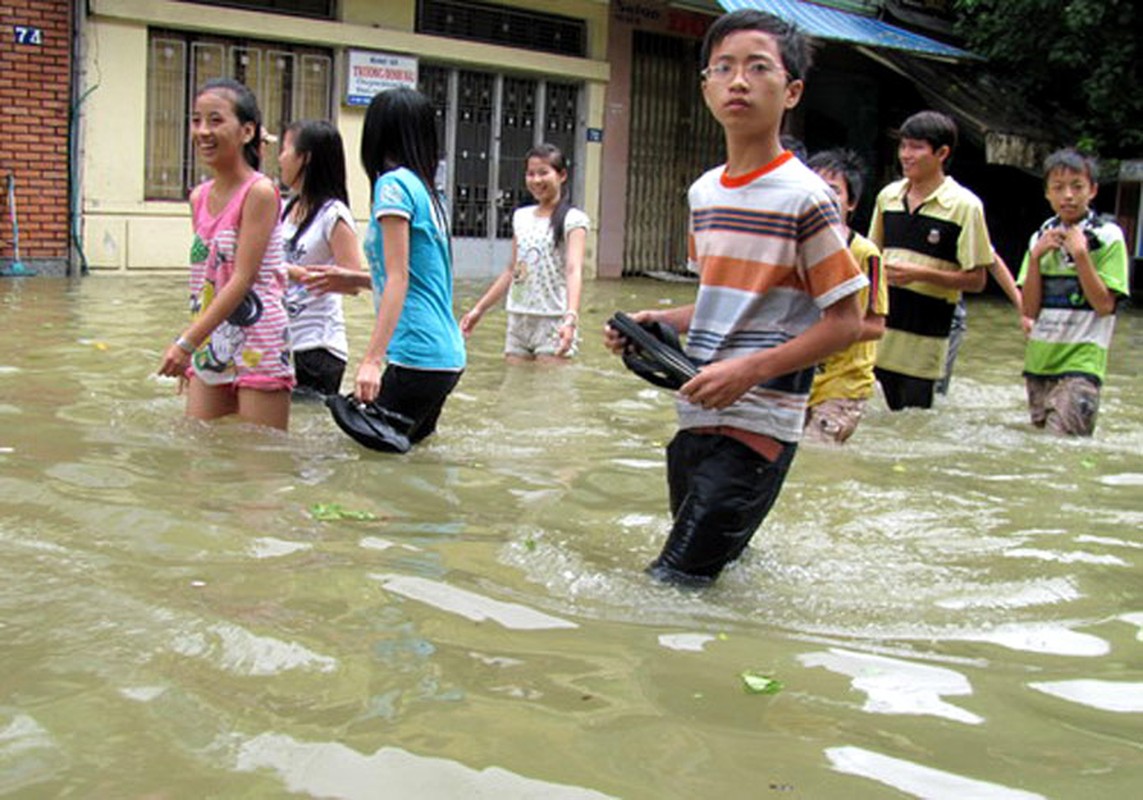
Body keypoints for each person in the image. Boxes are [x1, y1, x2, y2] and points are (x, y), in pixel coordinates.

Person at [604, 9, 865, 585]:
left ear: (792, 89)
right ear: (705, 87)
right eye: (722, 67)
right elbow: (723, 302)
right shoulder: (704, 193)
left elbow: (848, 322)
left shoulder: (808, 198)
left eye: (756, 67)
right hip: (695, 413)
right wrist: (655, 321)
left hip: (760, 424)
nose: (738, 81)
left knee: (671, 583)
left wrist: (749, 371)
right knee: (712, 578)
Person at [306, 88, 465, 446]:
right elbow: (425, 277)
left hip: (417, 354)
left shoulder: (393, 186)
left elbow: (399, 276)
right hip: (445, 357)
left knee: (366, 464)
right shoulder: (429, 192)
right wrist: (358, 278)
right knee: (409, 465)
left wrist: (371, 361)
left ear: (376, 132)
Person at [157, 78, 293, 430]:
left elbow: (242, 278)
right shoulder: (198, 197)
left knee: (260, 462)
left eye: (215, 120)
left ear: (247, 131)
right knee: (201, 455)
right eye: (197, 120)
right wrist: (196, 342)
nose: (203, 131)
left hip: (260, 334)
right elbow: (208, 279)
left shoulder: (260, 192)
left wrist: (186, 343)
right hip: (211, 336)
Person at [869, 110, 993, 410]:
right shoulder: (888, 197)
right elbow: (871, 259)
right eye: (903, 146)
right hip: (879, 336)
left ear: (942, 153)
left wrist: (920, 274)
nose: (906, 155)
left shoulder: (965, 206)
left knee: (914, 420)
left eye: (916, 147)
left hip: (925, 341)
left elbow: (977, 280)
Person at [1017, 148, 1130, 436]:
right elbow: (1029, 310)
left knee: (1060, 446)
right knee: (1046, 453)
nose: (1068, 195)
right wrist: (1035, 258)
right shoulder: (1040, 238)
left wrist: (1081, 255)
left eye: (1077, 187)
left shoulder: (1107, 237)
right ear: (1047, 194)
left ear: (1092, 190)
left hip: (1082, 364)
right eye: (1058, 188)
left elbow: (1105, 305)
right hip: (1040, 362)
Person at [459, 143, 589, 363]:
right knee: (516, 389)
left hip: (553, 321)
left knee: (548, 394)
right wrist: (478, 310)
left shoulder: (574, 219)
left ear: (562, 175)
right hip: (518, 319)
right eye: (530, 174)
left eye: (543, 173)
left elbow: (573, 270)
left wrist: (570, 319)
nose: (536, 180)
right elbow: (513, 270)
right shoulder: (521, 216)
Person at [803, 149, 888, 444]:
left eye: (834, 190)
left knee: (819, 455)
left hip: (844, 384)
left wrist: (828, 330)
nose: (823, 196)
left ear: (850, 203)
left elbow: (876, 326)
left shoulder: (865, 254)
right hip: (800, 375)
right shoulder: (793, 247)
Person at [277, 119, 364, 398]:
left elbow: (352, 282)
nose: (279, 158)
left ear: (306, 158)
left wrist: (291, 271)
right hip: (281, 341)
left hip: (318, 347)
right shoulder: (286, 207)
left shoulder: (333, 214)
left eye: (286, 149)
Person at [935, 250, 1027, 396]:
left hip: (946, 314)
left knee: (931, 394)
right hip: (903, 312)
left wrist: (1023, 308)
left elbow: (990, 258)